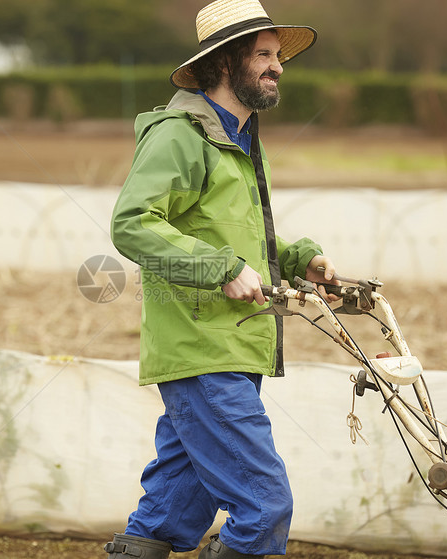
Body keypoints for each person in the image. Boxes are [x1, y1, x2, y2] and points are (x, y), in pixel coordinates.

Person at [105, 1, 339, 557]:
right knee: (264, 506)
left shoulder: (237, 139)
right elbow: (132, 225)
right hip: (204, 346)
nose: (277, 66)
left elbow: (238, 234)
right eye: (263, 54)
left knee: (169, 511)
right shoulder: (181, 136)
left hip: (230, 342)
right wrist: (222, 269)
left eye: (278, 56)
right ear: (225, 62)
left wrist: (300, 257)